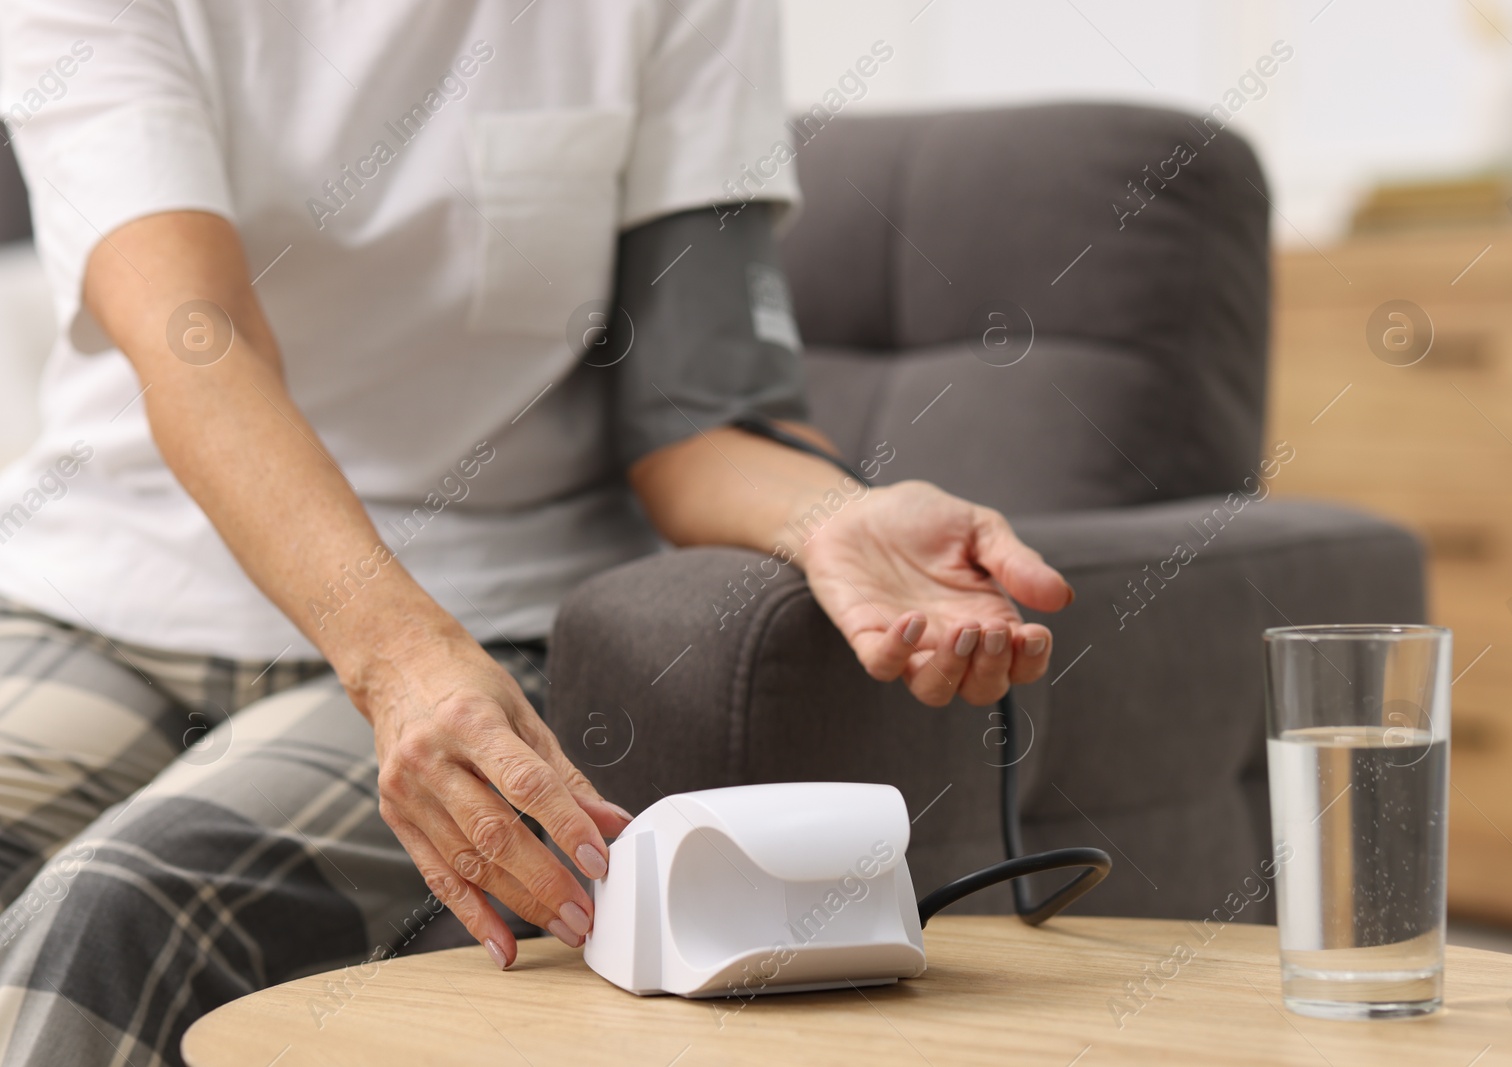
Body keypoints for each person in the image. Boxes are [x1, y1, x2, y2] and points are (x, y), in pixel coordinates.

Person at [0, 1, 1072, 1062]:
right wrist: (400, 659)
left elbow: (695, 418)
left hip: (491, 616)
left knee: (121, 906)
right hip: (112, 588)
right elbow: (197, 343)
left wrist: (838, 512)